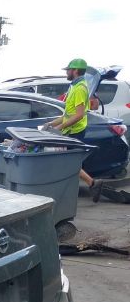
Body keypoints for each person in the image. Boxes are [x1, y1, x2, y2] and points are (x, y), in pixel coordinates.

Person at [46, 58, 103, 202]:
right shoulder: (74, 86)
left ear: (75, 71)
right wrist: (52, 123)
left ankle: (90, 184)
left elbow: (78, 115)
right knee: (67, 162)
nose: (67, 72)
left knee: (67, 162)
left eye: (68, 70)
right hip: (69, 130)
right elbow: (68, 114)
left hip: (75, 131)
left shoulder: (79, 89)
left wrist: (59, 127)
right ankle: (91, 183)